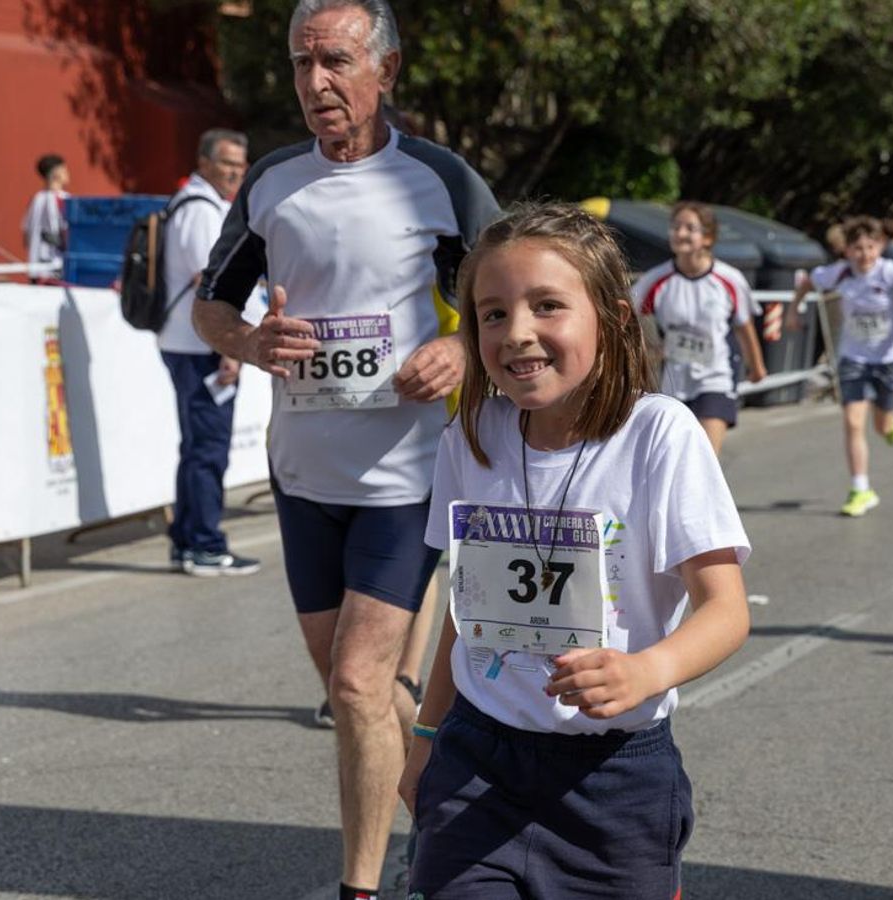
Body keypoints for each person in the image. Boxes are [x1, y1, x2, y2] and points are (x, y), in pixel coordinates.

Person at [190, 2, 500, 896]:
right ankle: (449, 828)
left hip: (407, 477)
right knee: (354, 691)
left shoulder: (439, 179)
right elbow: (211, 303)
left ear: (386, 71)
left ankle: (360, 890)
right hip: (303, 473)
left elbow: (513, 291)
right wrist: (249, 342)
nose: (316, 82)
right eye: (301, 63)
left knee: (361, 687)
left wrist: (462, 349)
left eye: (335, 61)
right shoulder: (274, 182)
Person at [400, 201, 751, 898]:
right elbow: (463, 612)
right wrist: (426, 738)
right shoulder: (469, 441)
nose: (518, 332)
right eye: (493, 314)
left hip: (614, 783)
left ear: (614, 317)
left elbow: (727, 610)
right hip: (478, 763)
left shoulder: (661, 435)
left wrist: (647, 670)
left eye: (548, 306)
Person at [787, 215, 893, 517]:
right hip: (853, 358)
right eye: (857, 248)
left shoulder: (890, 273)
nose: (865, 254)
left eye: (871, 247)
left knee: (881, 426)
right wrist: (794, 310)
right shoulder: (839, 273)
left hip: (888, 359)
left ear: (880, 247)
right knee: (853, 421)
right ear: (847, 250)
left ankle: (890, 423)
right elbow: (806, 282)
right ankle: (860, 488)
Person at [157, 128, 260, 577]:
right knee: (209, 448)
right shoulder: (201, 211)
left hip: (190, 344)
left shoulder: (197, 204)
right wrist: (230, 346)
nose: (236, 171)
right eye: (226, 163)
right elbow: (210, 284)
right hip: (202, 348)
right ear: (203, 163)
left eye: (240, 163)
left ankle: (186, 540)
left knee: (197, 445)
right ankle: (204, 544)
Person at [632, 201, 766, 455]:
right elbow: (624, 316)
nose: (680, 233)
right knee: (676, 459)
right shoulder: (657, 280)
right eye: (675, 227)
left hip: (715, 378)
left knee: (705, 456)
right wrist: (647, 348)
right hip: (674, 382)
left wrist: (756, 365)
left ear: (707, 237)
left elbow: (744, 326)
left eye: (689, 228)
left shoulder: (728, 279)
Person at [23, 153, 69, 279]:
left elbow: (26, 235)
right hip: (54, 269)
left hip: (35, 268)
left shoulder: (36, 199)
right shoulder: (64, 199)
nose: (67, 174)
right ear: (56, 173)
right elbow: (67, 234)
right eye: (64, 170)